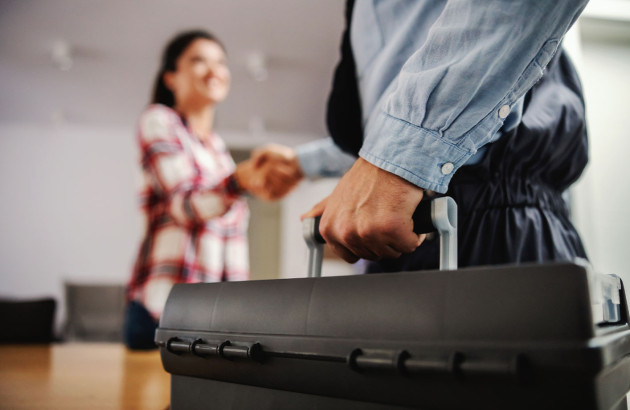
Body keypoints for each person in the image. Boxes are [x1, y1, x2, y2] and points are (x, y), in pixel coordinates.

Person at [257, 0, 591, 272]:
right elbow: (390, 126)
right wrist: (303, 163)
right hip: (399, 237)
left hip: (497, 223)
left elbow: (417, 145)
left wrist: (395, 163)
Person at [124, 30, 271, 350]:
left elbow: (230, 238)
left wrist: (238, 311)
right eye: (198, 61)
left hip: (213, 318)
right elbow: (185, 205)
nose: (214, 69)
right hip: (162, 312)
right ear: (171, 78)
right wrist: (240, 182)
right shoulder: (158, 120)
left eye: (220, 62)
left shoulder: (218, 150)